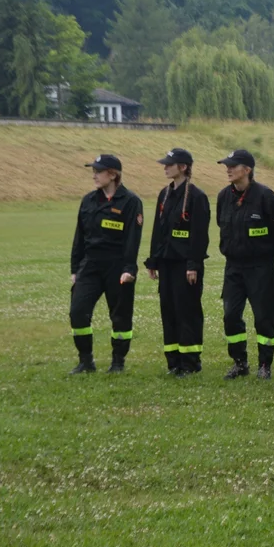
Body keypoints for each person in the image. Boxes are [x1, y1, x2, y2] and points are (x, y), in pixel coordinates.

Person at [68, 154, 143, 374]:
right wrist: (75, 269)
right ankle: (85, 361)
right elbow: (79, 237)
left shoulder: (130, 201)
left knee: (120, 316)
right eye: (93, 171)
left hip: (117, 265)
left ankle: (118, 362)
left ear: (113, 174)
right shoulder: (88, 200)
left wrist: (129, 268)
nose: (94, 175)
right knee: (78, 311)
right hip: (90, 265)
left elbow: (133, 238)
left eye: (98, 171)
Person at [216, 149, 274, 381]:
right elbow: (221, 225)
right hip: (233, 267)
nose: (228, 169)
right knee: (230, 315)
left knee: (264, 316)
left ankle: (265, 363)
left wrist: (266, 251)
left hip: (260, 266)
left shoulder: (265, 196)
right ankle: (240, 362)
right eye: (227, 165)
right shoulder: (224, 196)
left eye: (233, 166)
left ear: (247, 170)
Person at [144, 148, 210, 377]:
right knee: (169, 311)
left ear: (183, 167)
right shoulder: (164, 194)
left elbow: (199, 235)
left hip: (185, 265)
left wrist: (193, 264)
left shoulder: (196, 196)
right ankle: (174, 362)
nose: (165, 167)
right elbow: (157, 230)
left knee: (187, 312)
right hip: (166, 262)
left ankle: (190, 363)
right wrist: (153, 260)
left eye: (169, 164)